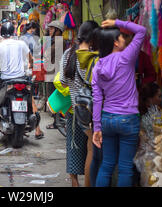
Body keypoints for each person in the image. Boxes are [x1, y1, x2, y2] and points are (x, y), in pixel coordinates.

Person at [91, 18, 147, 187]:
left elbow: (97, 99)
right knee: (125, 167)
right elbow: (141, 31)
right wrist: (117, 22)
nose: (124, 39)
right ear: (115, 42)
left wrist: (97, 127)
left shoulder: (97, 67)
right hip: (128, 119)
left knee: (107, 165)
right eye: (122, 37)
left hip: (107, 119)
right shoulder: (126, 58)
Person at [0, 22, 44, 143]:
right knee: (31, 101)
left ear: (2, 34)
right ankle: (38, 130)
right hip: (22, 78)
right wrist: (30, 67)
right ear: (13, 32)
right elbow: (31, 59)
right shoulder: (21, 44)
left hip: (6, 80)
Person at [59, 21, 100, 187]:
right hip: (91, 110)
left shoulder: (68, 54)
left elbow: (62, 82)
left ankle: (75, 183)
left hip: (74, 108)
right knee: (91, 149)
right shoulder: (95, 56)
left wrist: (75, 87)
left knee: (73, 149)